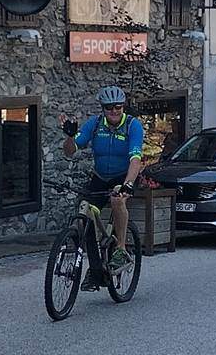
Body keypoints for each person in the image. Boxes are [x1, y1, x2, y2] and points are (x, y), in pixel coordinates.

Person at [59, 85, 144, 291]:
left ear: (123, 107)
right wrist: (70, 137)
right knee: (85, 212)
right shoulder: (95, 124)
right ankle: (96, 270)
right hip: (99, 177)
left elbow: (135, 159)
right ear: (103, 109)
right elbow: (70, 152)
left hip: (123, 176)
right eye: (109, 107)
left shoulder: (133, 126)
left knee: (117, 199)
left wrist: (128, 184)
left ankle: (121, 249)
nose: (114, 111)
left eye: (118, 107)